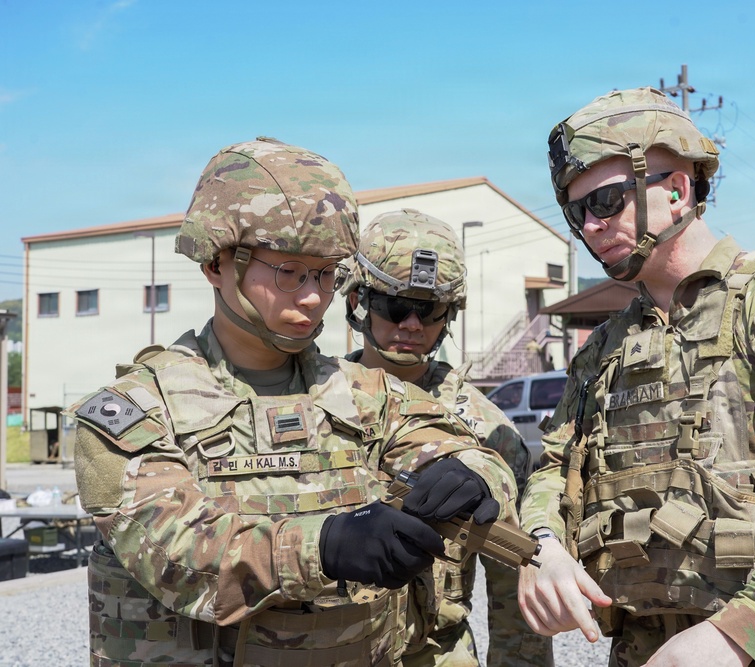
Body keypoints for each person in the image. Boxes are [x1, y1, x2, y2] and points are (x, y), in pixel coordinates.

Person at [71, 138, 516, 666]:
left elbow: (463, 447)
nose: (311, 296)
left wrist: (473, 475)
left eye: (326, 274)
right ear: (217, 262)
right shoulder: (135, 412)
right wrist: (325, 545)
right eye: (288, 272)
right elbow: (175, 552)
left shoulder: (366, 392)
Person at [517, 88, 755, 667]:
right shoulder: (603, 347)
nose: (591, 227)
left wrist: (736, 635)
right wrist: (543, 549)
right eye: (577, 213)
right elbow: (553, 468)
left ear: (676, 191)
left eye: (605, 200)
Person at [342, 208, 553, 667]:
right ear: (359, 300)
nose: (413, 325)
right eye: (395, 307)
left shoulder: (488, 427)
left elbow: (514, 587)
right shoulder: (317, 401)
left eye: (430, 310)